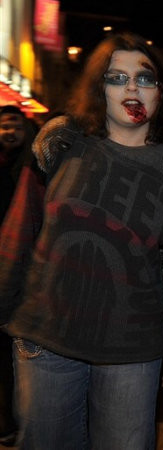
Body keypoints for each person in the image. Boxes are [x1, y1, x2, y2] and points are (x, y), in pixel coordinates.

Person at [0, 33, 163, 449]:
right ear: (100, 89)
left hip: (132, 349)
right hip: (47, 338)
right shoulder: (61, 139)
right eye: (117, 77)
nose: (132, 88)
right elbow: (18, 230)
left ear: (160, 92)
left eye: (144, 78)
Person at [0, 105, 35, 447]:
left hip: (27, 271)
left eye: (15, 124)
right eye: (4, 126)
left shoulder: (33, 164)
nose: (9, 131)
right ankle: (9, 420)